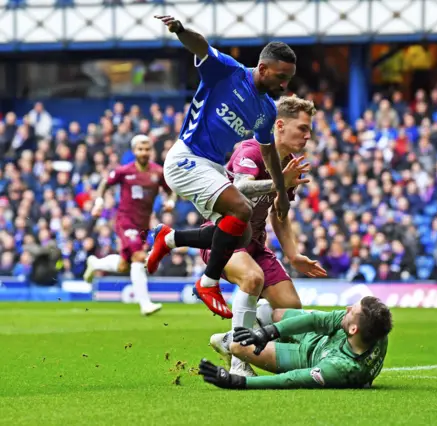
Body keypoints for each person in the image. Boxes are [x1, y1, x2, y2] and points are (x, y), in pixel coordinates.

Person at [149, 96, 328, 376]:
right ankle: (239, 361)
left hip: (256, 244)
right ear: (279, 125)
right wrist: (280, 182)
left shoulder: (290, 163)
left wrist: (293, 254)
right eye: (302, 128)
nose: (308, 135)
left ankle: (229, 339)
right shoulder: (251, 150)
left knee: (292, 310)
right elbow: (242, 189)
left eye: (309, 130)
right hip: (227, 239)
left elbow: (279, 214)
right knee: (252, 278)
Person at [147, 15, 296, 318]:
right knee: (241, 209)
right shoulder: (227, 71)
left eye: (288, 79)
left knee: (238, 236)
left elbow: (269, 154)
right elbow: (201, 47)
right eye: (280, 77)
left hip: (211, 166)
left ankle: (170, 237)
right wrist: (181, 31)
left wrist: (281, 191)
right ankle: (208, 282)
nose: (284, 84)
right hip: (186, 157)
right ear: (263, 68)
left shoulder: (267, 109)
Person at [198, 296, 393, 389]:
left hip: (305, 358)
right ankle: (261, 327)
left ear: (353, 330)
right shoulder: (375, 329)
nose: (347, 308)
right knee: (270, 312)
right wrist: (268, 333)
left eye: (352, 310)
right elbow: (315, 321)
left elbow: (290, 379)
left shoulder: (340, 368)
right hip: (319, 339)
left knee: (236, 346)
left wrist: (237, 382)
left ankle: (228, 344)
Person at [84, 135, 175, 316]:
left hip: (143, 225)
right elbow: (104, 183)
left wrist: (171, 202)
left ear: (151, 150)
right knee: (139, 257)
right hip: (125, 221)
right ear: (134, 151)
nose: (144, 152)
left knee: (124, 266)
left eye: (147, 149)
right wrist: (99, 202)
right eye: (140, 149)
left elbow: (170, 191)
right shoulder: (124, 171)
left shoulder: (158, 172)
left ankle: (95, 264)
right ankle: (145, 304)